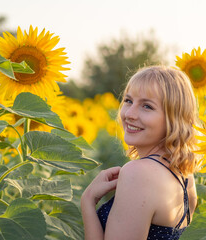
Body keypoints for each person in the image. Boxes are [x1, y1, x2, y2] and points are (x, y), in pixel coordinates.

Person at [81, 65, 199, 240]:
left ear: (173, 118)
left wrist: (88, 202)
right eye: (128, 101)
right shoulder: (185, 174)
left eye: (147, 106)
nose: (129, 113)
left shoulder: (139, 173)